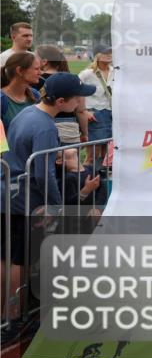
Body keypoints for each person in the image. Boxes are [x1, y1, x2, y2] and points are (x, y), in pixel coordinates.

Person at [1, 72, 97, 336]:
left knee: (7, 256)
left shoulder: (28, 113)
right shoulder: (45, 126)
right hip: (23, 198)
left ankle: (8, 315)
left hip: (8, 192)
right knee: (18, 259)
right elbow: (43, 175)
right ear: (62, 101)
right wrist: (56, 206)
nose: (81, 102)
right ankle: (14, 319)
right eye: (78, 98)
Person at [36, 44, 89, 146]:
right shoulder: (72, 79)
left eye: (35, 57)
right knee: (70, 160)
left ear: (44, 61)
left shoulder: (35, 80)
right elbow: (81, 110)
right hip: (69, 128)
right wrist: (85, 133)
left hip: (43, 126)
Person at [78, 46, 114, 166]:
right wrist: (84, 111)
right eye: (105, 53)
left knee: (107, 154)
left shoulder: (115, 71)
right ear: (97, 56)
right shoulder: (87, 74)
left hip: (112, 113)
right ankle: (85, 178)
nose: (109, 55)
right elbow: (75, 91)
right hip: (95, 113)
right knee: (93, 154)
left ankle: (101, 181)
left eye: (110, 52)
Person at [1, 52, 42, 133]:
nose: (40, 73)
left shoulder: (35, 95)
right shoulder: (2, 100)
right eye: (36, 69)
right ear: (19, 71)